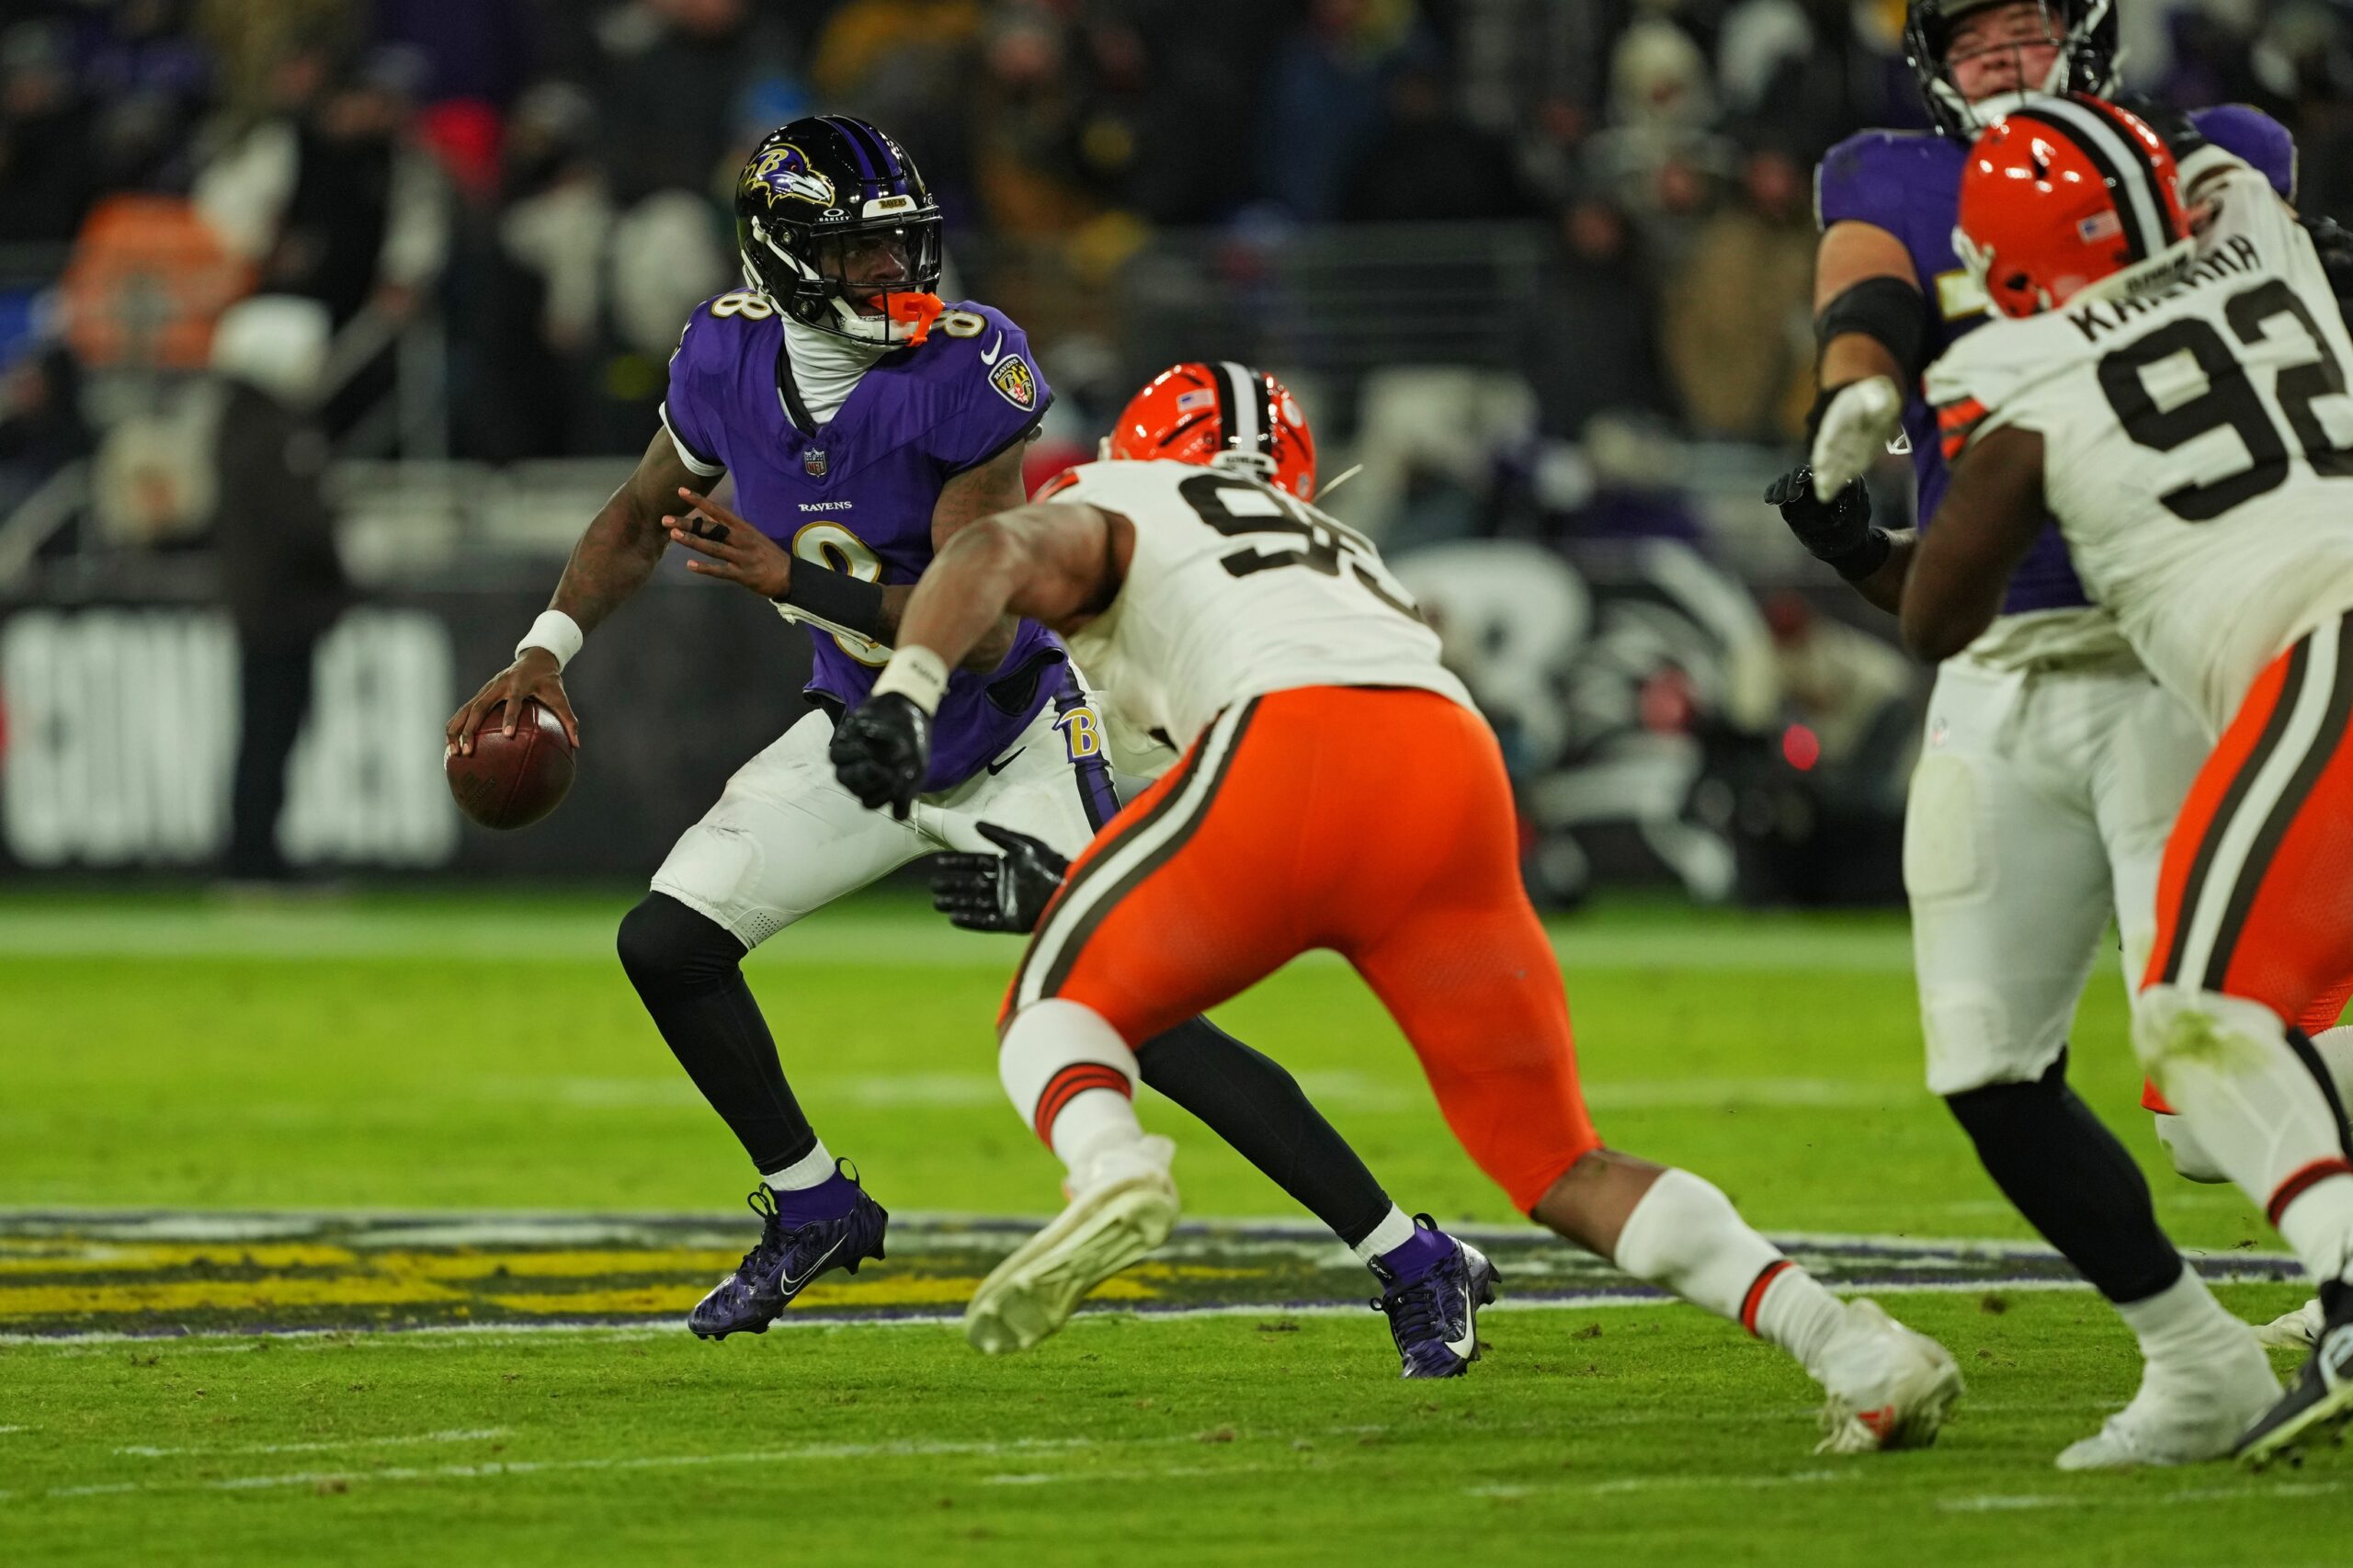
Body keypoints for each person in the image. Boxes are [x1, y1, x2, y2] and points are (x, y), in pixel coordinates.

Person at [739, 364, 1966, 1454]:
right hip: (1450, 771)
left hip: (1295, 748)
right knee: (1557, 1161)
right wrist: (1074, 885)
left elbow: (992, 558)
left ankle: (1111, 1167)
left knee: (1052, 1008)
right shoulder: (1344, 554)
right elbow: (1208, 829)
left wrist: (905, 691)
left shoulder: (1128, 495)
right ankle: (1854, 1345)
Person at [444, 119, 1462, 1376]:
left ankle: (1414, 1256)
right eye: (859, 254)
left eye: (899, 248)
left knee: (1136, 1006)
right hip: (863, 735)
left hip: (1006, 729)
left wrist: (790, 580)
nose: (893, 277)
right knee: (667, 940)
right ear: (783, 256)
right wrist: (547, 646)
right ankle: (816, 1202)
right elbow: (637, 513)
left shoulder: (965, 370)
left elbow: (982, 627)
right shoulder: (720, 356)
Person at [1766, 0, 2330, 1467]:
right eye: (1976, 45)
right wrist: (1857, 393)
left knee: (2216, 1062)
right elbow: (1869, 294)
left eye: (2027, 30)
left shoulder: (2209, 162)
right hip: (2003, 669)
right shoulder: (1890, 176)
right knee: (1986, 1060)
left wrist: (1880, 440)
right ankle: (2197, 1358)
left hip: (2166, 647)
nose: (2004, 63)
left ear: (2086, 37)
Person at [1902, 93, 2353, 1466]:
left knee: (2202, 1006)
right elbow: (2231, 152)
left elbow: (1932, 616)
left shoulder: (2022, 374)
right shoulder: (2262, 230)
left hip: (2320, 652)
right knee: (2220, 1004)